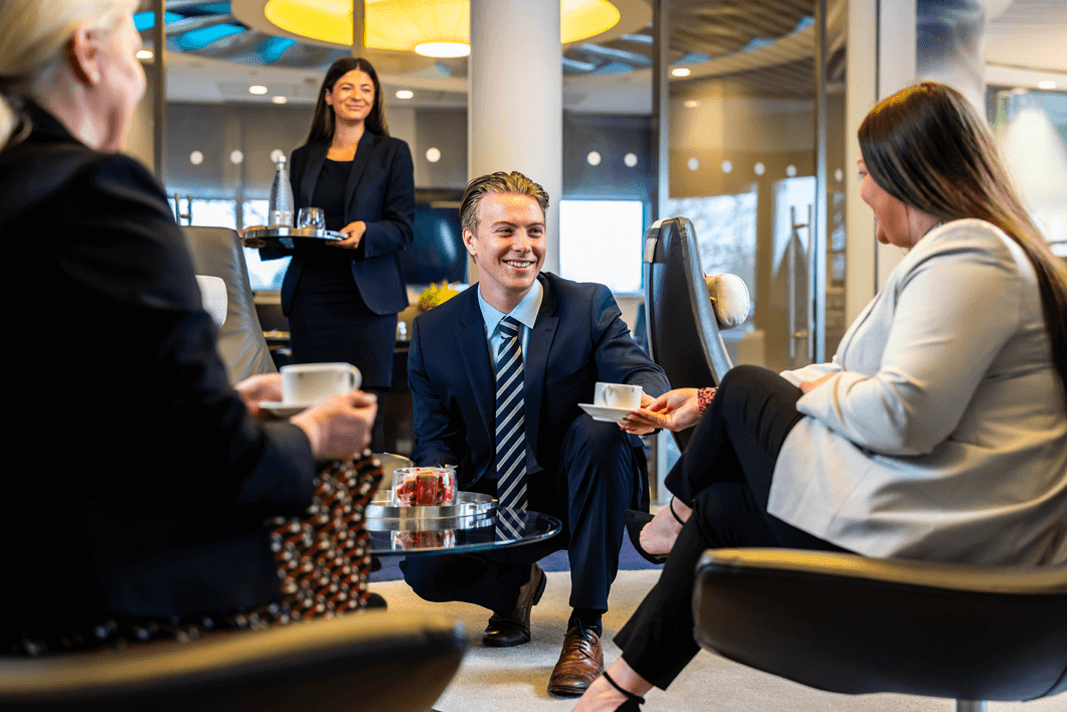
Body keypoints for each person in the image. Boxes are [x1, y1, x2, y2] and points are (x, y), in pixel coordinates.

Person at [571, 81, 1067, 712]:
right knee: (722, 502)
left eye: (864, 172)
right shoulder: (961, 256)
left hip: (948, 530)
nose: (859, 192)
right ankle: (613, 695)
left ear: (906, 171)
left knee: (748, 386)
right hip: (927, 505)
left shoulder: (969, 252)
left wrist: (782, 391)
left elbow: (901, 416)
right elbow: (842, 371)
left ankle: (670, 522)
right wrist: (710, 399)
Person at [0, 0, 378, 653]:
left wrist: (219, 404)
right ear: (88, 56)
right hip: (99, 601)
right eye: (134, 52)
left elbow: (61, 411)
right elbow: (216, 461)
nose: (140, 76)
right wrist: (308, 436)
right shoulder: (101, 194)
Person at [402, 171, 671, 696]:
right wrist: (426, 499)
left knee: (599, 432)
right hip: (492, 498)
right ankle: (514, 587)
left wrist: (640, 398)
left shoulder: (586, 306)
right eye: (506, 231)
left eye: (535, 231)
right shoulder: (433, 332)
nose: (524, 247)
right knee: (422, 569)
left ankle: (586, 625)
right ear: (471, 240)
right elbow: (434, 439)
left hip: (577, 492)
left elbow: (642, 372)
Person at [260, 56, 415, 453]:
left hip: (367, 303)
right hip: (312, 298)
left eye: (366, 89)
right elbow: (292, 226)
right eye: (347, 87)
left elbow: (403, 226)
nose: (357, 96)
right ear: (328, 96)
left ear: (375, 99)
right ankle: (317, 505)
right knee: (309, 406)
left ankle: (367, 506)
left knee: (367, 410)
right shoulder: (303, 157)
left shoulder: (392, 152)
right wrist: (265, 238)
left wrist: (367, 231)